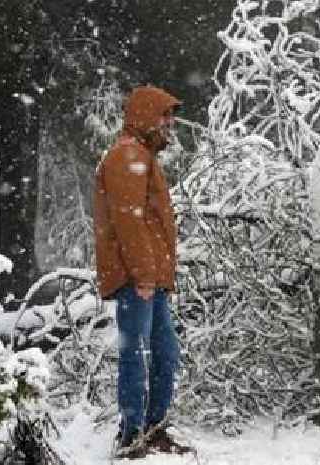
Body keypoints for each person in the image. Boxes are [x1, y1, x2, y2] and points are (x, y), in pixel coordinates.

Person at [94, 85, 191, 458]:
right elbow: (129, 221)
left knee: (165, 353)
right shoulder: (126, 156)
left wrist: (158, 275)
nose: (170, 124)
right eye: (164, 116)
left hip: (152, 279)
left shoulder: (141, 156)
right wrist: (146, 274)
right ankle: (132, 435)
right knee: (136, 353)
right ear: (146, 115)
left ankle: (153, 428)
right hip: (139, 279)